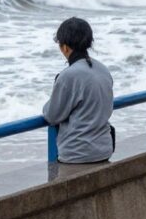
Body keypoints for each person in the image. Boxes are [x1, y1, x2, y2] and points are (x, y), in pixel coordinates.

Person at [43, 17, 114, 164]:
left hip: (77, 153)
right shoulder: (103, 69)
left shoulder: (68, 76)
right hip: (104, 149)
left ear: (65, 47)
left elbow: (52, 115)